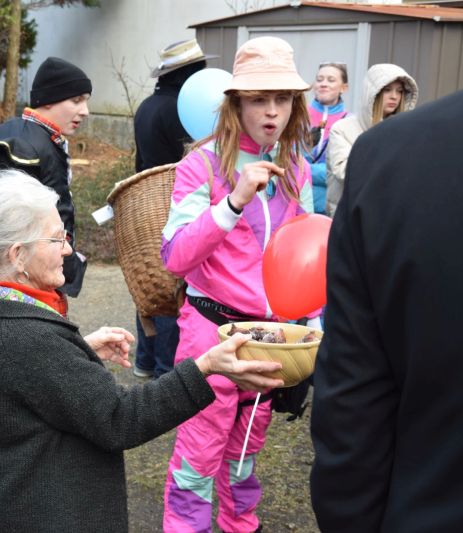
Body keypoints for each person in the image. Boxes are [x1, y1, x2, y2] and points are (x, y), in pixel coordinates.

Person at [0, 169, 287, 532]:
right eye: (57, 239)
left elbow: (29, 379)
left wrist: (77, 349)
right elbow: (120, 419)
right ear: (18, 256)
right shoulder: (29, 337)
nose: (68, 249)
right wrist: (206, 367)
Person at [310, 21, 463, 532]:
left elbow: (355, 393)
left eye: (403, 90)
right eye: (389, 90)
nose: (395, 97)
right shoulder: (365, 143)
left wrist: (349, 517)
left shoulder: (395, 154)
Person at [160, 36, 320, 533]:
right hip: (211, 337)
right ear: (235, 102)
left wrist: (314, 324)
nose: (271, 112)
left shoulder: (295, 168)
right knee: (198, 454)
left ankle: (240, 526)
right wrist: (232, 201)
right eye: (258, 98)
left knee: (246, 453)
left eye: (282, 99)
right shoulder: (201, 165)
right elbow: (175, 256)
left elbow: (309, 253)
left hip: (270, 340)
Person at [131, 38, 215, 379]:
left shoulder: (147, 105)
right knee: (171, 289)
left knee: (148, 285)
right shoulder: (178, 110)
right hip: (173, 203)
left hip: (144, 203)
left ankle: (145, 360)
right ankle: (167, 373)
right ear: (189, 75)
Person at [0, 56, 92, 298]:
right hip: (23, 278)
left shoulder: (41, 137)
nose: (85, 111)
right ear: (49, 99)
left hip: (39, 267)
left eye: (86, 102)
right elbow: (11, 221)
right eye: (76, 100)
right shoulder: (22, 143)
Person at [325, 63, 417, 216]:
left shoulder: (405, 131)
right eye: (387, 90)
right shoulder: (342, 129)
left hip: (388, 217)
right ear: (372, 92)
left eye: (399, 91)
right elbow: (344, 172)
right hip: (349, 217)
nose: (394, 96)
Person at [305, 61, 349, 215]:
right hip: (298, 202)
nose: (323, 84)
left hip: (331, 209)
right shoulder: (297, 116)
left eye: (331, 80)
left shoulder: (349, 122)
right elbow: (287, 163)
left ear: (344, 87)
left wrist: (305, 169)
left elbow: (342, 171)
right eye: (319, 79)